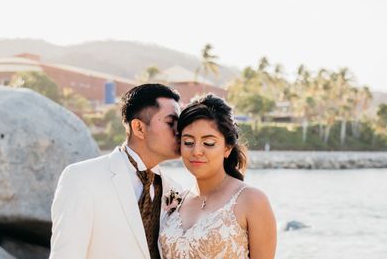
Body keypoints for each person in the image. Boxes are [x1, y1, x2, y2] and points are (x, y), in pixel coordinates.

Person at [50, 83, 182, 259]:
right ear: (139, 128)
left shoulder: (176, 190)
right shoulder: (82, 178)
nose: (180, 131)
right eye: (171, 122)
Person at [159, 94, 277, 259]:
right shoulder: (174, 201)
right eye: (188, 142)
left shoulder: (252, 200)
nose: (196, 151)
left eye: (208, 143)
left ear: (227, 148)